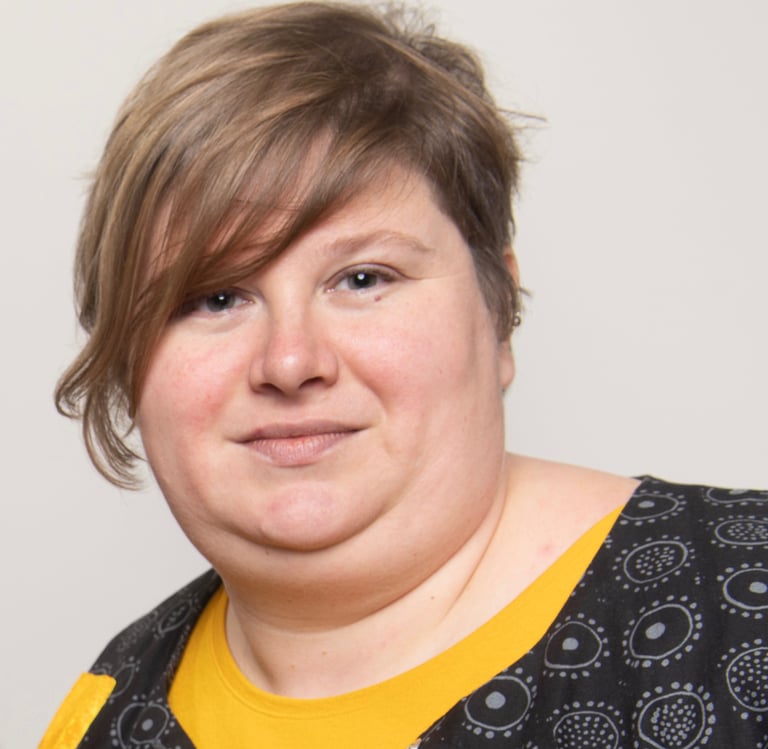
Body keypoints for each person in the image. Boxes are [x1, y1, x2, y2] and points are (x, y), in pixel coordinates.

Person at [40, 3, 768, 748]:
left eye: (363, 278)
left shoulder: (745, 609)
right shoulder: (101, 719)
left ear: (498, 311)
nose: (289, 362)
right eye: (216, 298)